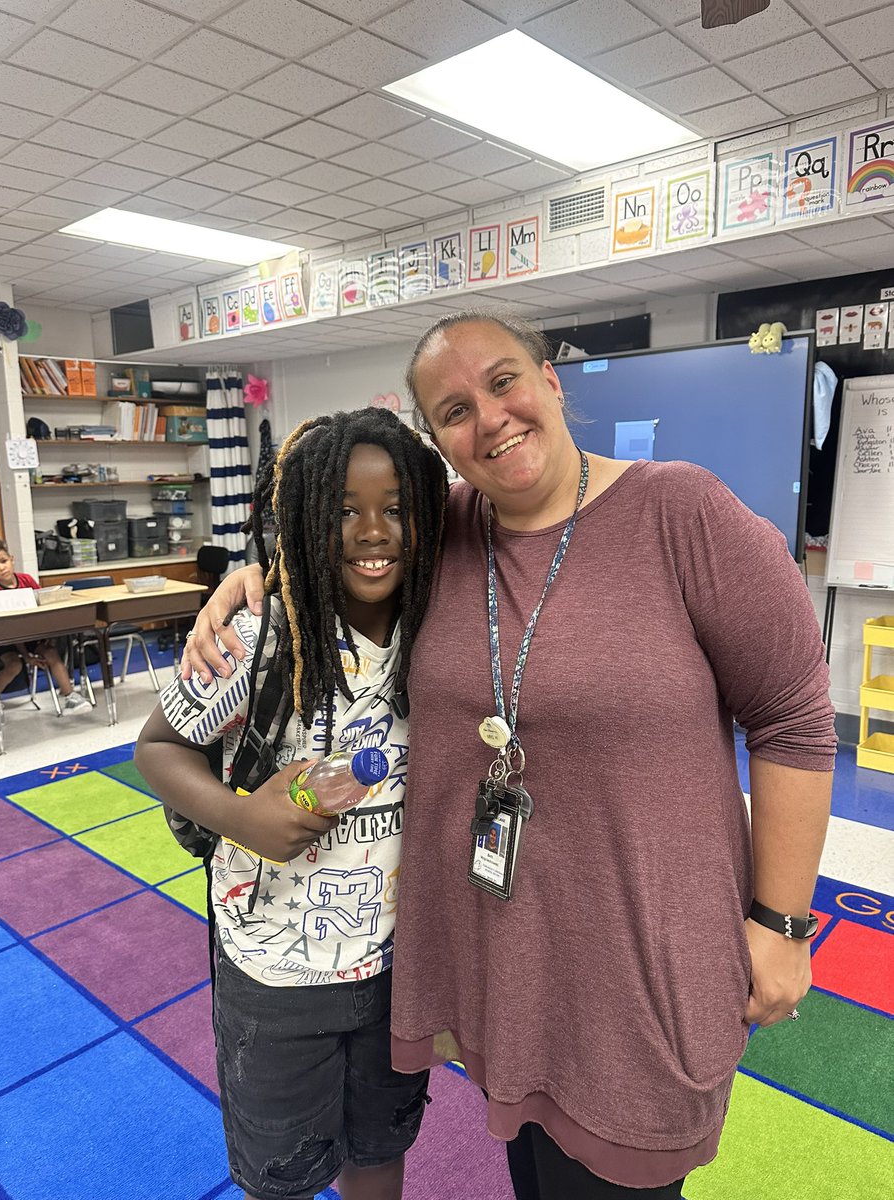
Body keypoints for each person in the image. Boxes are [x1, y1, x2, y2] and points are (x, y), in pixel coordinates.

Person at [182, 311, 836, 1200]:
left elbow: (795, 720)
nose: (488, 419)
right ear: (438, 441)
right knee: (536, 1173)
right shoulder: (441, 535)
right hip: (506, 963)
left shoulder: (682, 512)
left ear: (552, 384)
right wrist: (249, 575)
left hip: (639, 964)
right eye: (453, 410)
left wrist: (781, 923)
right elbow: (335, 543)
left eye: (502, 383)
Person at [135, 407, 448, 1200]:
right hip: (272, 973)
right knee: (282, 1173)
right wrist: (241, 817)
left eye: (396, 509)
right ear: (303, 518)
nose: (373, 531)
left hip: (395, 967)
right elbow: (158, 746)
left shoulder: (441, 632)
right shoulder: (258, 633)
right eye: (344, 509)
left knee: (380, 1143)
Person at [0, 538, 92, 712]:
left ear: (12, 559)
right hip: (5, 638)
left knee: (51, 653)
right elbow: (9, 626)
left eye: (4, 561)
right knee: (14, 665)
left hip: (31, 634)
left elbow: (43, 607)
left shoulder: (26, 580)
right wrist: (26, 656)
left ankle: (70, 696)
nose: (1, 568)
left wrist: (49, 638)